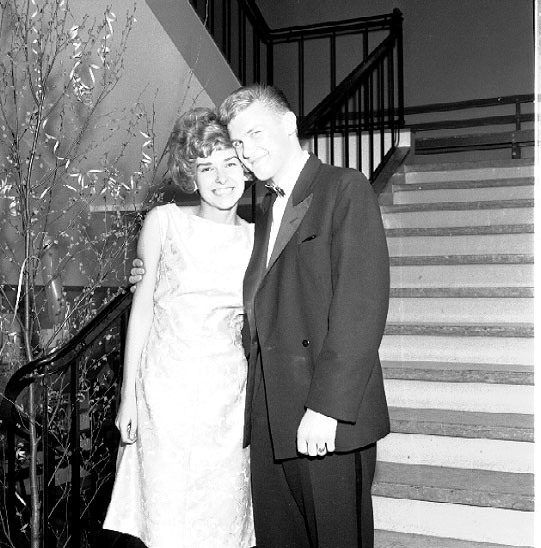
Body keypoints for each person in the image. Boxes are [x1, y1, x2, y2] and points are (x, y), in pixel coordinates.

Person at [131, 84, 390, 548]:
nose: (248, 151)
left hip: (324, 415)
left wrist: (327, 409)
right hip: (269, 419)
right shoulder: (267, 211)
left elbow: (361, 310)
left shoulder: (344, 188)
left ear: (289, 124)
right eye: (240, 142)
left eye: (255, 134)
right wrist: (151, 278)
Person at [103, 107, 256, 548]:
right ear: (191, 174)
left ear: (247, 167)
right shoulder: (163, 222)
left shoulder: (259, 239)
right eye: (206, 167)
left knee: (221, 518)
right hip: (164, 393)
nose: (221, 178)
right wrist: (128, 397)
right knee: (164, 518)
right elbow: (142, 311)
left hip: (228, 399)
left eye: (230, 163)